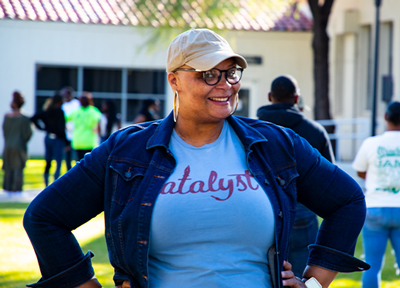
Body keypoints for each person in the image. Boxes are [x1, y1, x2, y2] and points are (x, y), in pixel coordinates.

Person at [23, 28, 369, 288]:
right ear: (174, 80)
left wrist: (313, 282)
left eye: (231, 72)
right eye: (208, 74)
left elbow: (348, 200)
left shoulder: (276, 144)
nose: (225, 85)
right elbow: (44, 218)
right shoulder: (126, 152)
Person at [257, 75, 335, 277]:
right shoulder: (315, 131)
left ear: (269, 96)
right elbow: (331, 179)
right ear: (296, 98)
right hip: (303, 209)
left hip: (262, 209)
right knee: (300, 276)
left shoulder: (251, 130)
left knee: (262, 273)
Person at [352, 101, 400, 288]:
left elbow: (360, 171)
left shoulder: (371, 143)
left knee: (371, 265)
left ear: (385, 117)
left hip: (375, 208)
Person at [31, 93, 67, 187]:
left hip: (48, 138)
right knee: (58, 161)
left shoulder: (47, 111)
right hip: (57, 139)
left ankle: (46, 184)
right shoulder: (59, 112)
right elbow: (61, 128)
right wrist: (66, 142)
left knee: (48, 161)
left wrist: (43, 128)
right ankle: (56, 183)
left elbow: (34, 118)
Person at [2, 91, 33, 195]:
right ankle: (17, 189)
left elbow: (4, 131)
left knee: (8, 167)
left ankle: (7, 188)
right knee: (18, 168)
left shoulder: (7, 117)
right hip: (19, 145)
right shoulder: (25, 118)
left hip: (8, 145)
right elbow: (28, 133)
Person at [65, 92, 101, 161]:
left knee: (79, 163)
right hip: (89, 141)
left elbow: (64, 119)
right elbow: (100, 122)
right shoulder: (93, 111)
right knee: (89, 163)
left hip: (77, 141)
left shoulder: (75, 111)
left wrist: (67, 128)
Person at [61, 86, 80, 170]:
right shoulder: (63, 105)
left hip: (77, 134)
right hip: (67, 134)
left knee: (77, 156)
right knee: (67, 156)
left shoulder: (76, 104)